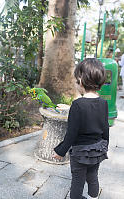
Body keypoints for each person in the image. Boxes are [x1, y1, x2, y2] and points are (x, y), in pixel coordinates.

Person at [53, 58, 109, 199]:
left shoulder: (77, 105)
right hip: (98, 149)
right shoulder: (103, 103)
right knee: (92, 176)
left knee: (78, 181)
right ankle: (93, 197)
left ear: (81, 81)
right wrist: (105, 144)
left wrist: (61, 151)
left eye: (76, 80)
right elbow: (105, 127)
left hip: (80, 152)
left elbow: (71, 133)